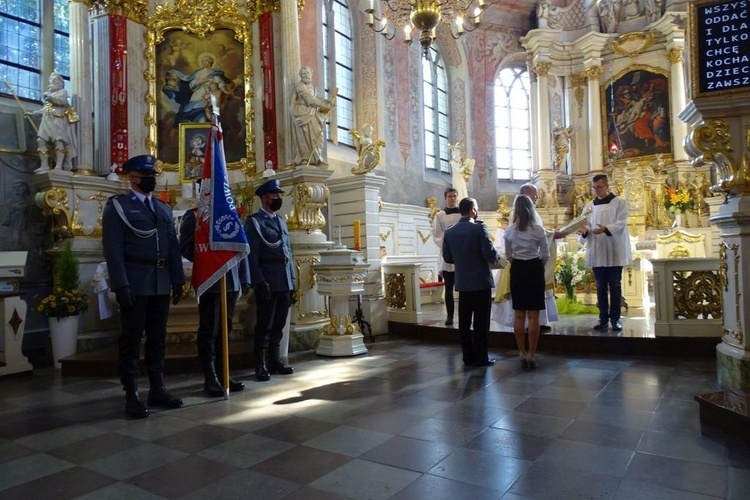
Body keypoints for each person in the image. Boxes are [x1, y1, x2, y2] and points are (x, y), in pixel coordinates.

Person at [102, 154, 185, 419]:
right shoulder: (118, 207)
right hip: (135, 282)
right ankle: (131, 394)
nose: (151, 181)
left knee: (158, 338)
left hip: (160, 282)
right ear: (132, 178)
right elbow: (112, 248)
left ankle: (157, 388)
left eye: (153, 177)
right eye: (146, 177)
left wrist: (177, 278)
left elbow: (172, 246)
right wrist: (121, 283)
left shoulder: (162, 209)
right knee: (131, 339)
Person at [179, 208, 250, 397]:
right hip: (210, 280)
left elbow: (241, 245)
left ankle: (223, 372)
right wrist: (209, 263)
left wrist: (245, 276)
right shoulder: (194, 216)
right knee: (209, 329)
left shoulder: (229, 212)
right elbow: (185, 246)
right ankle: (210, 377)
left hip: (231, 280)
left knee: (225, 330)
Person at [244, 178, 296, 381]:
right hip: (268, 280)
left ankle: (274, 360)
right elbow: (252, 255)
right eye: (275, 195)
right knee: (264, 324)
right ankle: (260, 364)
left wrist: (292, 278)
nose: (278, 198)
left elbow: (287, 252)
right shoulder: (254, 222)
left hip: (284, 280)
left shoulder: (281, 221)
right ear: (264, 197)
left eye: (279, 195)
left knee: (279, 324)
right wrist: (259, 281)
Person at [442, 197, 502, 367]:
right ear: (473, 210)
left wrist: (463, 261)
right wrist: (496, 258)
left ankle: (467, 356)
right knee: (481, 323)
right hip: (481, 282)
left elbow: (447, 257)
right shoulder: (479, 227)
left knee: (464, 323)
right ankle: (481, 358)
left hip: (462, 283)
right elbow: (489, 254)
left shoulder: (450, 231)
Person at [578, 174, 632, 332]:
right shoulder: (589, 207)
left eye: (599, 187)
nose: (596, 190)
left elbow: (621, 223)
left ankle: (615, 319)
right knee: (601, 286)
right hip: (597, 249)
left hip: (614, 249)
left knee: (615, 285)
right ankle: (603, 318)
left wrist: (606, 229)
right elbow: (584, 225)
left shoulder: (619, 202)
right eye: (594, 188)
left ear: (607, 186)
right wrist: (584, 231)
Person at [505, 195, 549, 369]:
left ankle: (521, 352)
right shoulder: (538, 230)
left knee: (519, 314)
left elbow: (508, 255)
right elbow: (545, 255)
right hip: (534, 269)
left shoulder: (510, 230)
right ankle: (532, 354)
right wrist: (537, 265)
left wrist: (518, 261)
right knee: (534, 316)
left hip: (518, 270)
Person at [26, 71, 78, 172]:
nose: (52, 82)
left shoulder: (62, 92)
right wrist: (34, 113)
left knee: (59, 142)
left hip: (58, 121)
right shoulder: (49, 94)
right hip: (47, 120)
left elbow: (61, 101)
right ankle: (44, 165)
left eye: (54, 80)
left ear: (60, 83)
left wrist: (49, 96)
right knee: (40, 141)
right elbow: (46, 108)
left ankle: (58, 166)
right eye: (51, 80)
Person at [162, 53, 231, 124]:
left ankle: (210, 119)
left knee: (210, 108)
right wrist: (200, 81)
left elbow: (220, 82)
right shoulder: (198, 72)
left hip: (210, 92)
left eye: (206, 60)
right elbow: (191, 84)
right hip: (199, 91)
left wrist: (224, 90)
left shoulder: (215, 73)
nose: (204, 62)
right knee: (191, 106)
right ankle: (190, 118)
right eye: (203, 61)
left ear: (210, 62)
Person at [291, 66, 334, 165]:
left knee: (318, 134)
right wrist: (323, 105)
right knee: (304, 135)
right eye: (303, 74)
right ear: (300, 76)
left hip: (313, 113)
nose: (306, 75)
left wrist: (327, 103)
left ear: (311, 74)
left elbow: (316, 98)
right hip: (302, 113)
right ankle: (305, 158)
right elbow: (309, 99)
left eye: (307, 73)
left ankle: (317, 157)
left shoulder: (314, 88)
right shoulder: (300, 86)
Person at [432, 187, 462, 326]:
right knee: (448, 289)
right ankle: (449, 316)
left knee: (464, 289)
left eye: (454, 196)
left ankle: (464, 316)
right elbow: (437, 235)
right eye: (449, 196)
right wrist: (450, 244)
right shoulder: (440, 215)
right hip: (447, 255)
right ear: (445, 198)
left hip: (462, 256)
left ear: (457, 197)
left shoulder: (463, 214)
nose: (452, 198)